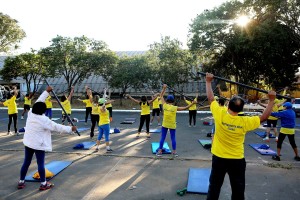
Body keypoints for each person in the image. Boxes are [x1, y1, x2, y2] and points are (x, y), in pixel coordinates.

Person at [205, 73, 276, 200]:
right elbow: (264, 118)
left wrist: (208, 82)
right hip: (236, 160)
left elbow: (211, 99)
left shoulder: (220, 113)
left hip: (219, 158)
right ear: (241, 109)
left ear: (228, 106)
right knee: (238, 191)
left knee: (214, 188)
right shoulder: (245, 121)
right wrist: (271, 100)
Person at [17, 86, 77, 191]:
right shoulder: (44, 120)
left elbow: (39, 100)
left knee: (26, 162)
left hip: (28, 142)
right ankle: (43, 184)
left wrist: (47, 91)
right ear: (43, 111)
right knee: (40, 164)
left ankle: (21, 182)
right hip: (38, 145)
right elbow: (57, 127)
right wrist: (71, 129)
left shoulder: (31, 112)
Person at [156, 84, 197, 157]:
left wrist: (164, 88)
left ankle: (159, 152)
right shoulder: (175, 108)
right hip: (172, 125)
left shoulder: (164, 105)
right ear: (173, 101)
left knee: (162, 137)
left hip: (165, 124)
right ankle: (174, 152)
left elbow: (161, 96)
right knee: (173, 138)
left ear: (167, 100)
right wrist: (192, 104)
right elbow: (185, 107)